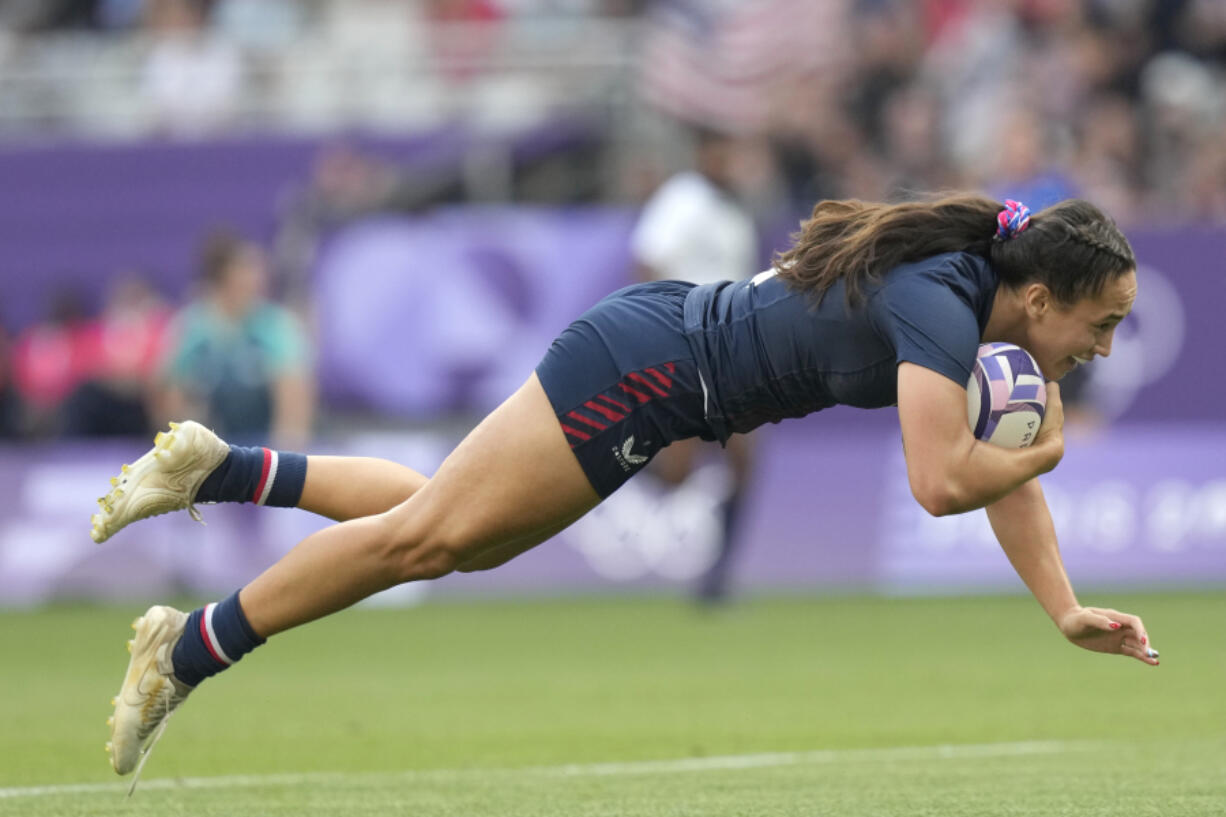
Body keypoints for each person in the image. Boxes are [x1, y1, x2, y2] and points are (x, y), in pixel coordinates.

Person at [94, 194, 1158, 786]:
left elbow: (983, 469)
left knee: (449, 526)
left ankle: (218, 468)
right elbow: (942, 482)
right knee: (425, 539)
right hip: (649, 372)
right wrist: (1042, 452)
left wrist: (1061, 605)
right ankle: (182, 650)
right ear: (1035, 295)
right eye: (1100, 323)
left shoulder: (973, 311)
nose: (1103, 349)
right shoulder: (942, 303)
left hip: (656, 352)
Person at [629, 124, 760, 602]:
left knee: (744, 459)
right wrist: (657, 326)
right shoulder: (682, 198)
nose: (732, 163)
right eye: (724, 153)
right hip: (686, 346)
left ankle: (717, 578)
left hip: (730, 352)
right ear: (705, 154)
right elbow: (646, 260)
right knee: (677, 473)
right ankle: (614, 455)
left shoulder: (735, 211)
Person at [157, 231, 315, 448]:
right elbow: (170, 392)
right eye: (247, 269)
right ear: (223, 277)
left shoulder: (276, 326)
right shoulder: (192, 326)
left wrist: (285, 458)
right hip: (216, 444)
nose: (257, 277)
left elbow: (293, 396)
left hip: (264, 445)